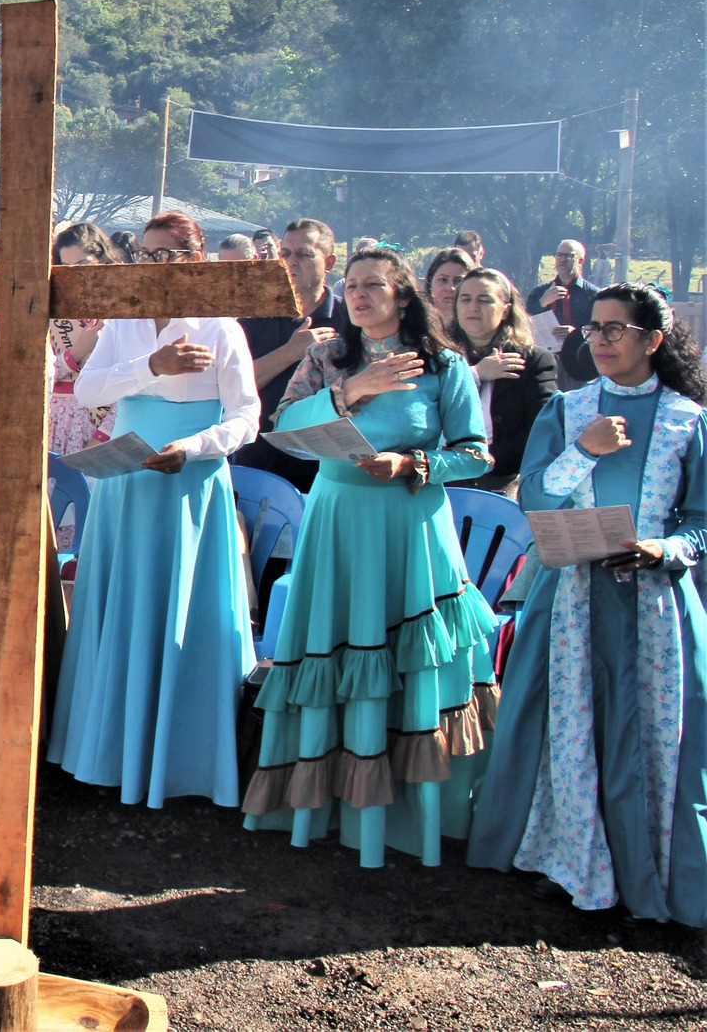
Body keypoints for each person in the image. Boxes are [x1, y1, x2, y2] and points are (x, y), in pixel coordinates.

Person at [244, 247, 496, 866]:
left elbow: (475, 453)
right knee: (336, 650)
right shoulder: (326, 357)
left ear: (402, 297)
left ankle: (413, 819)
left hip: (408, 527)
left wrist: (411, 464)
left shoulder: (444, 367)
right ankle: (318, 809)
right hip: (335, 522)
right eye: (352, 285)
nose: (358, 296)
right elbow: (283, 432)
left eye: (373, 286)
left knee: (404, 661)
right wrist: (352, 389)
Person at [468, 284, 706, 925]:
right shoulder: (570, 411)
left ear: (653, 340)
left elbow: (702, 521)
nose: (599, 339)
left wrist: (664, 549)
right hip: (572, 595)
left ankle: (648, 865)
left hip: (655, 604)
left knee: (653, 735)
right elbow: (537, 502)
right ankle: (574, 859)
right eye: (594, 328)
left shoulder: (689, 419)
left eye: (615, 329)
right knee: (571, 729)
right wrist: (586, 449)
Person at [48, 211, 261, 808]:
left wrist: (194, 448)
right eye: (146, 254)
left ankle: (184, 759)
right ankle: (106, 750)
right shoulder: (126, 322)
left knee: (183, 612)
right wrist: (151, 367)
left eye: (167, 254)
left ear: (195, 258)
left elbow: (247, 418)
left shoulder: (220, 328)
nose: (155, 266)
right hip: (127, 480)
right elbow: (88, 390)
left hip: (188, 486)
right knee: (121, 608)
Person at [234, 217, 350, 493]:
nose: (291, 261)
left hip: (326, 471)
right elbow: (234, 386)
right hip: (259, 464)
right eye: (285, 253)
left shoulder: (350, 321)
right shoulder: (255, 316)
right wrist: (290, 352)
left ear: (330, 263)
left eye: (304, 254)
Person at [448, 267, 557, 497]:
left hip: (504, 482)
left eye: (484, 300)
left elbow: (540, 429)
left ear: (506, 310)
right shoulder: (437, 357)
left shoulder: (534, 361)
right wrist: (475, 374)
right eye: (465, 299)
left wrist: (484, 460)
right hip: (446, 477)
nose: (472, 307)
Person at [50, 222, 119, 455]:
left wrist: (103, 436)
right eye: (66, 267)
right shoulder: (52, 312)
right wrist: (76, 353)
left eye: (83, 265)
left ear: (101, 259)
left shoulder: (119, 311)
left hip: (103, 423)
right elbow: (39, 374)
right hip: (54, 423)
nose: (75, 275)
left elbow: (130, 378)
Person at [531, 239, 601, 390]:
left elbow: (600, 328)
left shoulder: (593, 295)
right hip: (545, 361)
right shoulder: (540, 292)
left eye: (568, 256)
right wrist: (543, 302)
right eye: (559, 255)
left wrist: (577, 333)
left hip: (578, 361)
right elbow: (523, 322)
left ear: (581, 260)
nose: (562, 259)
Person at [424, 246, 478, 327]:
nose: (450, 288)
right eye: (443, 280)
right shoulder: (417, 327)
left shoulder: (479, 332)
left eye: (458, 281)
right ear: (430, 282)